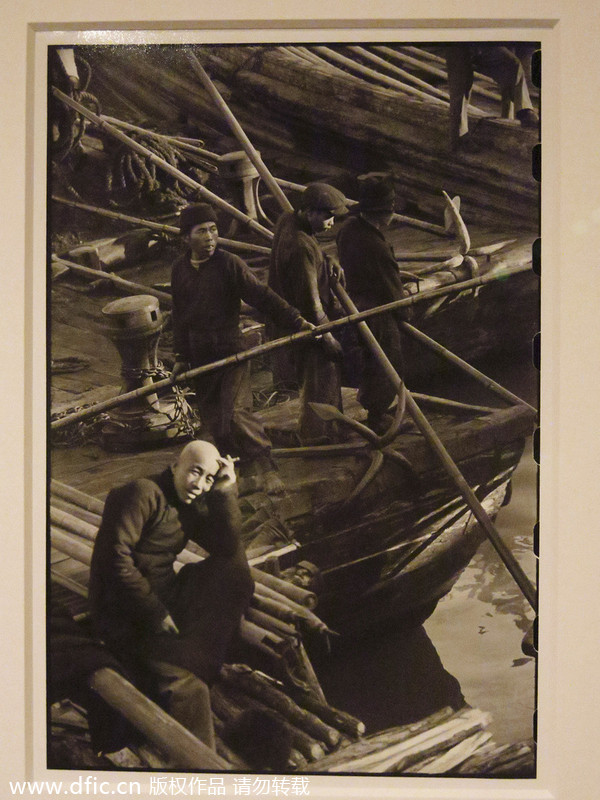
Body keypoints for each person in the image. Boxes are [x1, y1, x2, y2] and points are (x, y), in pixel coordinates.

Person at [88, 439, 254, 748]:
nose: (199, 484)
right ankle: (202, 766)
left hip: (163, 595)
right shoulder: (141, 494)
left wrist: (225, 490)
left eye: (208, 478)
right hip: (123, 608)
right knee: (190, 685)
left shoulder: (189, 502)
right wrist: (154, 611)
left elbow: (227, 546)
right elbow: (113, 562)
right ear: (175, 465)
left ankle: (187, 655)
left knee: (235, 571)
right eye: (195, 472)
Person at [170, 203, 314, 494]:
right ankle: (242, 473)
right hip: (200, 355)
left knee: (236, 414)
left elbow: (262, 296)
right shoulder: (179, 270)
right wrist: (181, 357)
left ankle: (267, 469)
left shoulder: (229, 264)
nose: (210, 237)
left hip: (230, 350)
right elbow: (179, 316)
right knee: (215, 423)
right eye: (201, 232)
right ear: (186, 238)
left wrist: (296, 320)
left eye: (213, 230)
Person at [268, 182, 349, 445]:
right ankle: (319, 436)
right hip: (306, 326)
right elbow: (311, 304)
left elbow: (313, 250)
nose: (332, 222)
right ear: (309, 211)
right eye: (327, 216)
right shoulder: (299, 246)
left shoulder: (288, 219)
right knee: (321, 377)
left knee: (316, 379)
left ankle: (327, 430)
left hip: (288, 318)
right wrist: (327, 337)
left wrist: (327, 260)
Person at [336, 173, 409, 436]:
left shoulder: (348, 230)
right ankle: (378, 417)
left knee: (369, 360)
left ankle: (378, 409)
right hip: (377, 310)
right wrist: (405, 313)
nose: (393, 216)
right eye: (390, 211)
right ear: (382, 214)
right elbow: (390, 287)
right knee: (388, 361)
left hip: (354, 303)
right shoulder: (376, 245)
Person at [445, 43, 538, 150]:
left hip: (483, 41)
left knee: (512, 64)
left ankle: (524, 111)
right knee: (460, 87)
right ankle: (459, 139)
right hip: (457, 44)